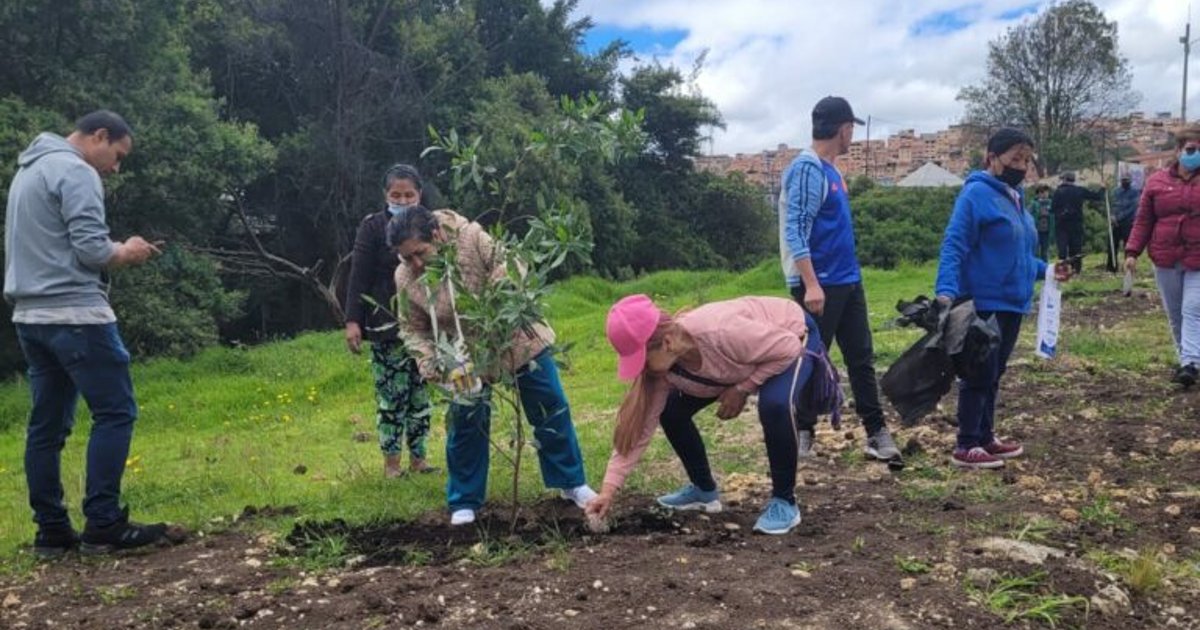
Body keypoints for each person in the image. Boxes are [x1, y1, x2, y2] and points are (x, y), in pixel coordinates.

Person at [4, 111, 182, 556]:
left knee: (46, 427)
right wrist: (128, 250)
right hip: (76, 315)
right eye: (117, 156)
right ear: (99, 136)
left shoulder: (28, 172)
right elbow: (90, 251)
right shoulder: (75, 171)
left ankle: (52, 532)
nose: (115, 168)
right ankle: (103, 523)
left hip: (30, 318)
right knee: (116, 412)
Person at [388, 206, 596, 526]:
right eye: (406, 258)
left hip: (516, 335)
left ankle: (572, 484)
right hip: (462, 355)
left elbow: (512, 265)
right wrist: (433, 365)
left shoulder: (472, 237)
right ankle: (464, 501)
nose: (415, 264)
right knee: (466, 420)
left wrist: (496, 304)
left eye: (419, 253)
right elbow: (413, 328)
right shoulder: (405, 277)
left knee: (548, 405)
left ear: (436, 235)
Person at [585, 294, 827, 535]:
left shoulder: (722, 333)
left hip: (790, 335)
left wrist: (743, 388)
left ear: (667, 343)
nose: (641, 370)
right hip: (738, 363)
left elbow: (788, 347)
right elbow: (639, 428)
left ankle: (785, 502)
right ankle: (703, 490)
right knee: (671, 411)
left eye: (642, 361)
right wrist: (608, 491)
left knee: (774, 404)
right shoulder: (665, 370)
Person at [935, 128, 1072, 469]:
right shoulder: (976, 195)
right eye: (1014, 159)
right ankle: (966, 444)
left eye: (1026, 160)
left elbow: (1020, 256)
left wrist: (1049, 270)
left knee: (994, 373)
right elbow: (954, 244)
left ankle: (985, 436)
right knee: (978, 373)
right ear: (992, 159)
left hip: (1014, 301)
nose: (1022, 166)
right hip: (984, 301)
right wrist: (946, 291)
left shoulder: (1017, 200)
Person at [777, 95, 900, 462]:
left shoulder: (833, 171)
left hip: (848, 280)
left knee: (861, 357)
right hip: (820, 285)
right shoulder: (807, 169)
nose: (851, 136)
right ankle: (801, 432)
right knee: (812, 359)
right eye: (850, 129)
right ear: (842, 128)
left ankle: (875, 431)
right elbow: (796, 230)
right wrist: (811, 284)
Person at [343, 164, 436, 478]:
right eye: (396, 194)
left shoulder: (429, 225)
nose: (403, 199)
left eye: (409, 194)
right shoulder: (372, 228)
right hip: (386, 326)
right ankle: (392, 465)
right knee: (393, 397)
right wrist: (352, 320)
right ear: (386, 195)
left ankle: (420, 459)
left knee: (421, 394)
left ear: (419, 195)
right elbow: (358, 276)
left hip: (425, 324)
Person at [1124, 125, 1200, 388]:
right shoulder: (1157, 182)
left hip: (1197, 257)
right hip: (1165, 256)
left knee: (1193, 307)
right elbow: (1144, 220)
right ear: (1178, 151)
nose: (1195, 154)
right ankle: (1186, 361)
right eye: (1191, 149)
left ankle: (1191, 360)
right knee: (1176, 312)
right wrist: (1133, 251)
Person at [1050, 171, 1104, 274]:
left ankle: (1063, 270)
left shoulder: (1058, 192)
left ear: (1064, 179)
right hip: (1076, 223)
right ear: (1074, 180)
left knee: (1062, 249)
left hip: (1061, 224)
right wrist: (1103, 187)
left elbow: (1052, 209)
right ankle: (1076, 270)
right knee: (1076, 248)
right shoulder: (1079, 190)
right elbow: (1097, 196)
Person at [1108, 174, 1140, 272]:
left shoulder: (1135, 192)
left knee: (1128, 245)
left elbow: (1132, 208)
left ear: (1130, 181)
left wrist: (1119, 217)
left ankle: (1128, 267)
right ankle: (1111, 267)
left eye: (1126, 180)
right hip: (1115, 222)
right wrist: (1112, 215)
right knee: (1112, 244)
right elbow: (1112, 204)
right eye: (1123, 180)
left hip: (1128, 222)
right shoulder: (1116, 191)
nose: (1124, 182)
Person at [1029, 185, 1055, 261]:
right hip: (1036, 230)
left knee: (1045, 251)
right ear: (1039, 194)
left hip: (1047, 230)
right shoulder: (1034, 204)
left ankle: (1045, 269)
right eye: (1043, 192)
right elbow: (1028, 214)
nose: (1045, 194)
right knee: (1035, 251)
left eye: (1046, 192)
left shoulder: (1051, 203)